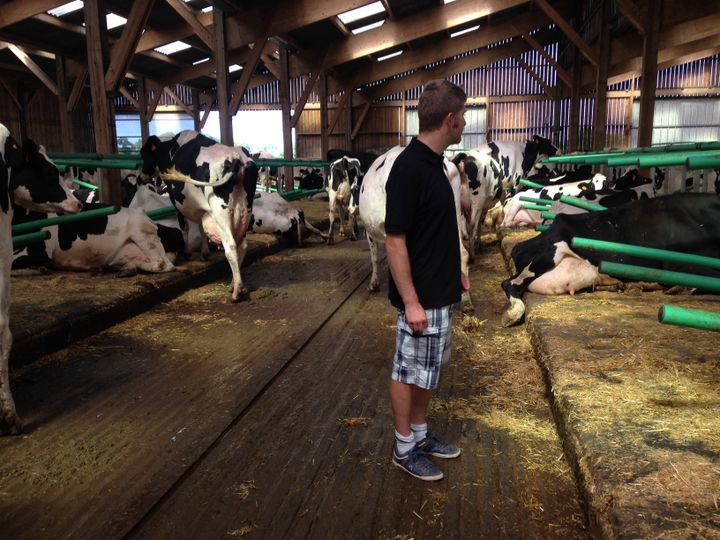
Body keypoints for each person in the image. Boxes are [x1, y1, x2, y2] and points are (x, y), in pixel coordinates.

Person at [384, 79, 470, 481]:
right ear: (449, 119)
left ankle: (419, 434)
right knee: (407, 370)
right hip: (420, 298)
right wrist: (411, 300)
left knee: (429, 370)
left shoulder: (436, 165)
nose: (466, 123)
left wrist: (456, 273)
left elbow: (434, 229)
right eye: (463, 117)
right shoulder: (409, 168)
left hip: (440, 291)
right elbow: (395, 240)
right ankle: (403, 448)